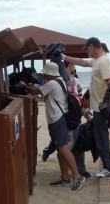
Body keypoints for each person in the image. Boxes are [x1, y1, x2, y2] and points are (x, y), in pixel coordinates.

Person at [25, 62, 85, 191]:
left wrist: (24, 85)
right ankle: (65, 177)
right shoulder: (61, 81)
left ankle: (77, 176)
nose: (44, 75)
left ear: (49, 73)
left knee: (63, 149)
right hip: (60, 119)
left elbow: (36, 91)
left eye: (45, 73)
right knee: (60, 151)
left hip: (57, 120)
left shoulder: (52, 84)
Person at [61, 37, 110, 178]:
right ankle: (108, 165)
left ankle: (109, 168)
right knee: (100, 137)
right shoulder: (98, 60)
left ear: (92, 47)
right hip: (97, 108)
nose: (86, 52)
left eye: (87, 49)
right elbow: (83, 62)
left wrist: (106, 104)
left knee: (101, 138)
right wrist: (64, 56)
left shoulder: (103, 62)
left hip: (102, 108)